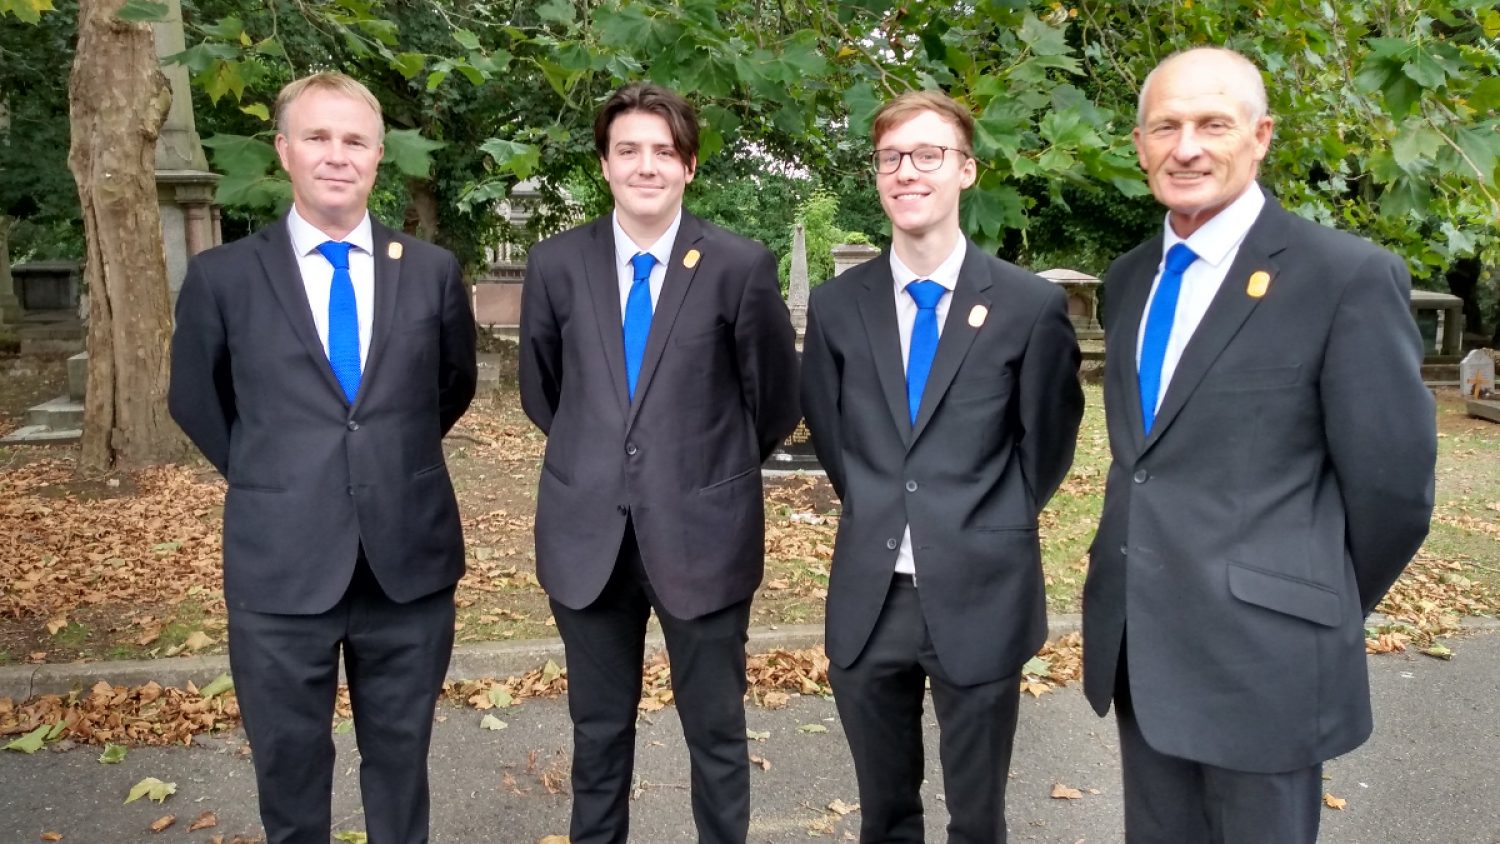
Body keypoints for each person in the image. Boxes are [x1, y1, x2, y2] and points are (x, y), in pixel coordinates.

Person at [1081, 47, 1437, 843]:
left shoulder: (1344, 276)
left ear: (1262, 135)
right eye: (1165, 127)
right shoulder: (1130, 278)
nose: (1188, 147)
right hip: (1144, 644)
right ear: (1139, 144)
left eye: (1214, 124)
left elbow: (1395, 492)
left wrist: (1301, 596)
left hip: (1267, 658)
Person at [168, 72, 477, 844]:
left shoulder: (432, 272)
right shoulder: (224, 277)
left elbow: (449, 387)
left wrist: (379, 464)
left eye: (354, 140)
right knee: (290, 764)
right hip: (279, 564)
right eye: (317, 137)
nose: (336, 156)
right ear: (284, 151)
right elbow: (197, 401)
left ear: (377, 157)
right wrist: (275, 471)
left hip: (406, 562)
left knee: (401, 759)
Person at [517, 81, 799, 844]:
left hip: (703, 537)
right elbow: (546, 394)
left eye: (664, 152)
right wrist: (605, 455)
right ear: (604, 165)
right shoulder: (556, 264)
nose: (647, 166)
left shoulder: (739, 265)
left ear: (690, 166)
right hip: (588, 541)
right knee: (598, 735)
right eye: (629, 150)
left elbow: (771, 401)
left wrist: (702, 470)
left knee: (716, 737)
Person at [799, 89, 1084, 843]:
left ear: (966, 170)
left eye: (928, 154)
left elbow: (1046, 442)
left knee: (977, 819)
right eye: (891, 157)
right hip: (870, 598)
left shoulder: (1026, 307)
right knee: (884, 814)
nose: (907, 171)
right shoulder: (836, 308)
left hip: (983, 590)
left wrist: (982, 522)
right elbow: (836, 442)